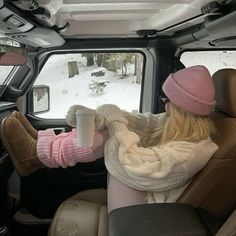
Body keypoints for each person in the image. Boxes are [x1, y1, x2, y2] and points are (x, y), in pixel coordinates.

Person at [0, 65, 219, 213]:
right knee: (108, 130)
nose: (165, 104)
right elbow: (143, 122)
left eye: (168, 99)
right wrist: (100, 116)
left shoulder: (192, 151)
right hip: (141, 194)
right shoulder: (175, 125)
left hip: (145, 211)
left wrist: (115, 123)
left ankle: (37, 155)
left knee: (112, 137)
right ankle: (42, 148)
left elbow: (135, 167)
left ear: (181, 108)